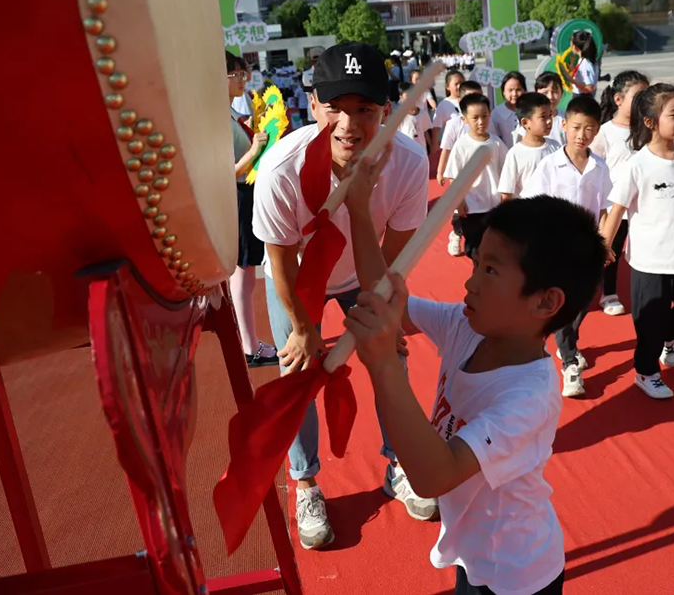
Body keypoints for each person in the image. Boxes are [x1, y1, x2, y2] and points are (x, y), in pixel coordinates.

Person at [342, 192, 607, 595]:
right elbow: (387, 296)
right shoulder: (467, 328)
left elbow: (433, 477)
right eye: (476, 263)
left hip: (517, 573)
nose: (471, 282)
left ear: (546, 301)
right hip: (475, 551)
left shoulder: (528, 397)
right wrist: (359, 211)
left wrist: (384, 366)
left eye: (491, 271)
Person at [252, 42, 435, 551]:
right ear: (313, 106)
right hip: (296, 277)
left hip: (363, 270)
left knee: (390, 359)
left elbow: (394, 258)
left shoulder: (408, 162)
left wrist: (387, 316)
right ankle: (305, 482)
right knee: (296, 371)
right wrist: (305, 328)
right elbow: (282, 259)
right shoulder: (279, 171)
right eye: (335, 108)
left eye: (365, 110)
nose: (350, 124)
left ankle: (399, 464)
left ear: (386, 111)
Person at [601, 84, 674, 400]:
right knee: (648, 321)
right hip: (649, 260)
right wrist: (603, 247)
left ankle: (666, 339)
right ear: (649, 122)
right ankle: (646, 373)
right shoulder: (637, 164)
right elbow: (617, 210)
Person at [522, 96, 611, 397]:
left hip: (588, 248)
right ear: (564, 126)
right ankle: (570, 364)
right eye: (576, 127)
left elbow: (605, 209)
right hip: (557, 248)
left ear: (597, 131)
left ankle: (567, 340)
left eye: (589, 128)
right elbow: (532, 203)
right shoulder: (550, 165)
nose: (581, 134)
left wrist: (605, 241)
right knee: (562, 302)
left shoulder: (599, 167)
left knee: (586, 298)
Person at [226, 51, 278, 367]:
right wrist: (256, 149)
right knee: (242, 272)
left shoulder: (228, 112)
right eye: (237, 74)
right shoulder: (216, 115)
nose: (244, 79)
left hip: (245, 194)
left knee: (244, 272)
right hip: (238, 194)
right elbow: (224, 171)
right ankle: (250, 346)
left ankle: (250, 342)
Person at [591, 70, 651, 317]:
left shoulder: (648, 127)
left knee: (643, 252)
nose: (643, 102)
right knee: (611, 251)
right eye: (638, 96)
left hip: (644, 205)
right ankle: (608, 293)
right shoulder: (605, 131)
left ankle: (647, 292)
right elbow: (594, 168)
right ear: (618, 99)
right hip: (614, 206)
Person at [444, 93, 510, 260]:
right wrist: (459, 202)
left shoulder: (495, 143)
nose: (481, 122)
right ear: (465, 119)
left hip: (493, 205)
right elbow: (453, 178)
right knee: (474, 248)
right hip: (471, 208)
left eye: (484, 116)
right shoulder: (461, 145)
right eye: (475, 118)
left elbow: (508, 168)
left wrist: (506, 195)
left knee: (493, 247)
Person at [436, 80, 484, 258]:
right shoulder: (455, 123)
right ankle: (456, 233)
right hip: (458, 174)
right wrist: (441, 171)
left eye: (478, 96)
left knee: (478, 210)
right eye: (470, 97)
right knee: (460, 210)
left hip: (482, 176)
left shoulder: (486, 120)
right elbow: (446, 148)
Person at [498, 92, 561, 200]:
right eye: (543, 117)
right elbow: (506, 192)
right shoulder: (515, 153)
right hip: (526, 212)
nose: (549, 121)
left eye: (550, 115)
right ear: (525, 122)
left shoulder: (556, 147)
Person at [397, 81, 433, 157]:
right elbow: (397, 136)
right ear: (401, 98)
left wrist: (431, 145)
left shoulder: (423, 113)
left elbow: (426, 131)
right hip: (406, 152)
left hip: (421, 151)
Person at [489, 72, 527, 144]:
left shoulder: (530, 110)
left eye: (518, 89)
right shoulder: (496, 113)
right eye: (510, 90)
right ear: (503, 92)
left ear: (524, 90)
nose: (514, 94)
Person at [432, 69, 465, 151]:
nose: (459, 86)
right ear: (448, 86)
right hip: (452, 150)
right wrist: (435, 146)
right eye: (456, 84)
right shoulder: (444, 104)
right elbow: (436, 129)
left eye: (462, 83)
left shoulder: (470, 101)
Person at [568, 31, 600, 97]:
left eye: (571, 45)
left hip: (582, 99)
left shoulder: (586, 63)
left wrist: (572, 80)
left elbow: (589, 87)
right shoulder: (582, 60)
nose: (570, 48)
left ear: (575, 47)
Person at [230, 58, 254, 124]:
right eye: (247, 67)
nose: (249, 70)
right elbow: (246, 119)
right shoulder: (240, 94)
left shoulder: (243, 91)